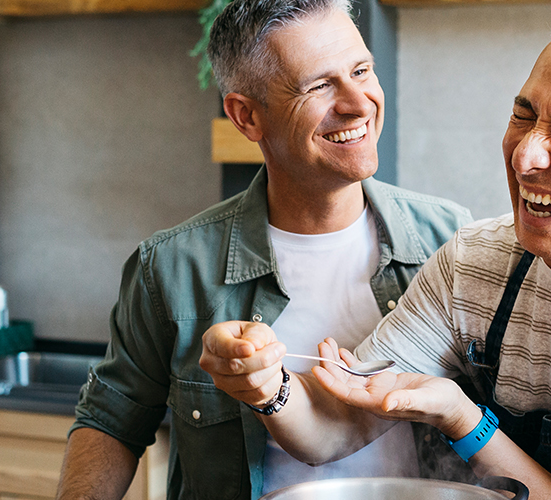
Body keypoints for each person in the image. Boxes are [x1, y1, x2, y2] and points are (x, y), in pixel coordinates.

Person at [198, 1, 551, 498]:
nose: (525, 156)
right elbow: (333, 429)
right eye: (523, 115)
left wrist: (467, 422)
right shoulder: (474, 263)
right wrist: (266, 385)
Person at [54, 0, 473, 497]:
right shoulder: (170, 268)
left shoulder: (452, 240)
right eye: (319, 85)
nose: (358, 103)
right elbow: (110, 422)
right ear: (247, 116)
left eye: (362, 70)